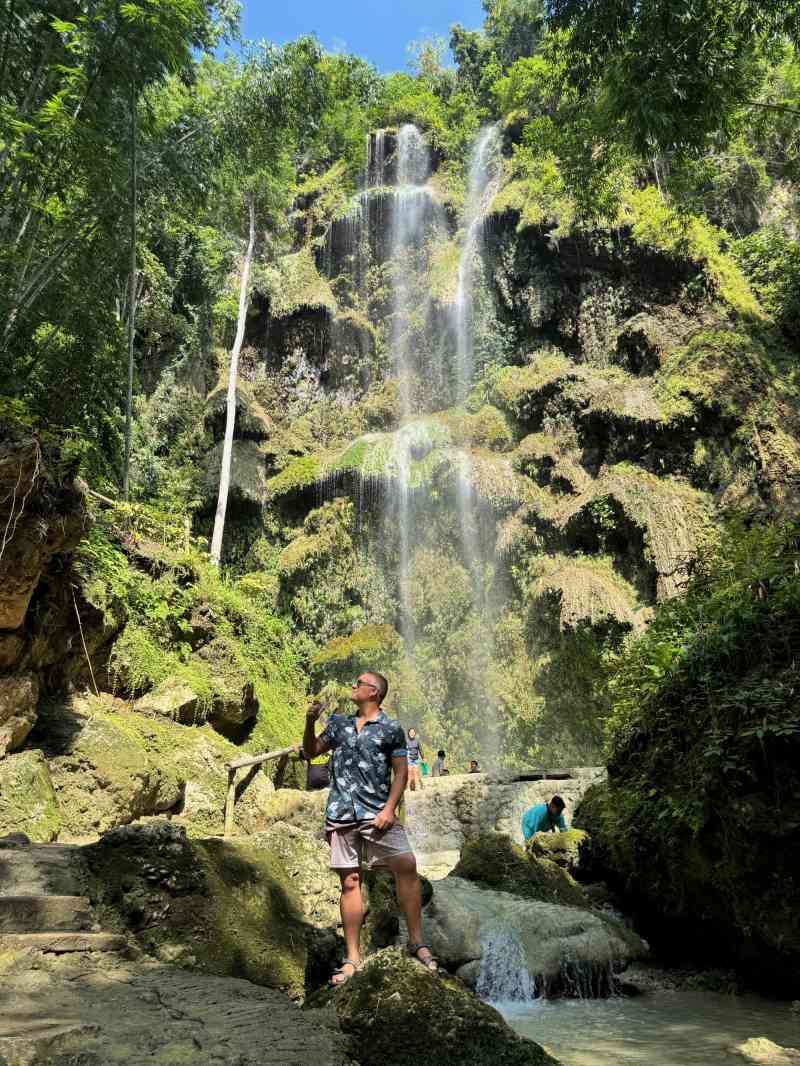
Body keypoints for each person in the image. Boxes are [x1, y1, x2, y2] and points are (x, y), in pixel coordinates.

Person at [303, 672, 438, 985]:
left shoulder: (391, 728)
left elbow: (401, 773)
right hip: (340, 812)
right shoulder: (339, 724)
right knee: (350, 881)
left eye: (358, 683)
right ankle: (352, 958)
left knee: (406, 865)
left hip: (377, 812)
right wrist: (310, 722)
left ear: (373, 692)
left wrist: (390, 809)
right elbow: (311, 752)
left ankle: (417, 942)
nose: (352, 686)